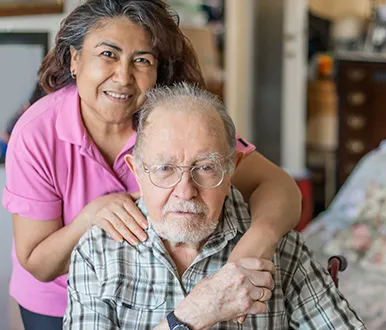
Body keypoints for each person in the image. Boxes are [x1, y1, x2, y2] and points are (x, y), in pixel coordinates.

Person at [2, 1, 302, 329]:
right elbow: (38, 264)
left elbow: (280, 187)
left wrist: (254, 246)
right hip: (56, 303)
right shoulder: (37, 133)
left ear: (159, 70)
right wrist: (92, 217)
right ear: (75, 60)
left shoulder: (173, 124)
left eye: (142, 60)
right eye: (107, 54)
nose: (123, 77)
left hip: (158, 299)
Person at [64, 83, 365, 330]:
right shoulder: (98, 252)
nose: (185, 191)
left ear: (233, 167)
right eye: (165, 168)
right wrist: (192, 315)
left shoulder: (280, 248)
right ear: (137, 171)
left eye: (206, 167)